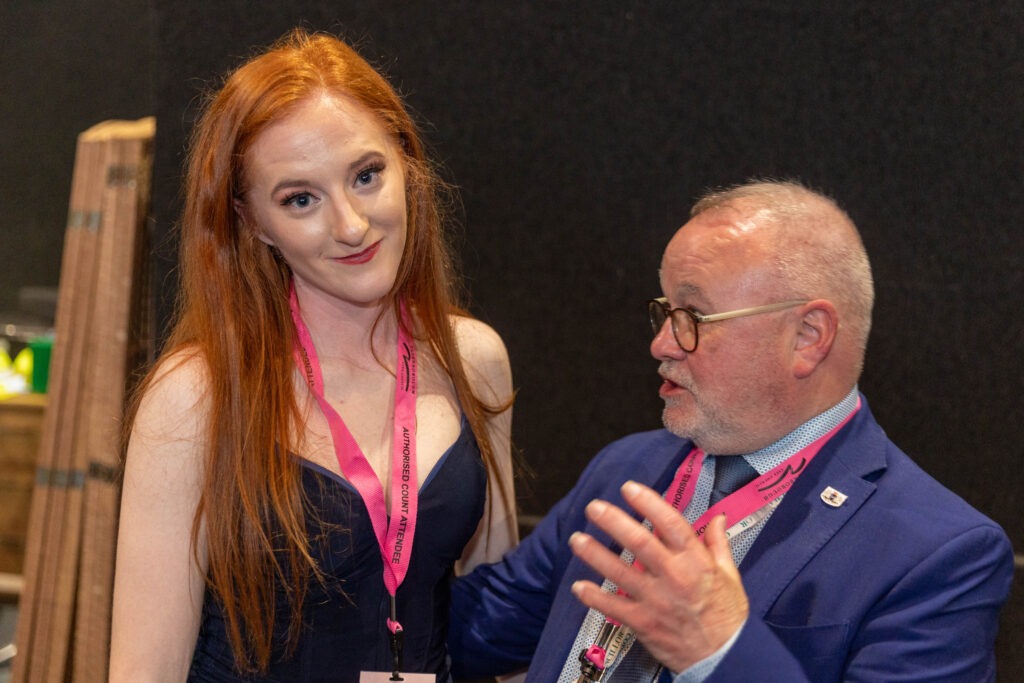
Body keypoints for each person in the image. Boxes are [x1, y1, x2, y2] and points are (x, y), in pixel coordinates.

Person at [449, 180, 1013, 682]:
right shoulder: (627, 468)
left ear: (809, 337)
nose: (662, 344)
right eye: (664, 311)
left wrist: (717, 650)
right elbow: (477, 631)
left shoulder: (936, 554)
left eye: (692, 316)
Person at [109, 29, 516, 682]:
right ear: (253, 222)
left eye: (366, 175)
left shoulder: (473, 359)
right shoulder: (197, 394)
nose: (352, 225)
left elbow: (498, 618)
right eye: (301, 199)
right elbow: (144, 668)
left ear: (407, 165)